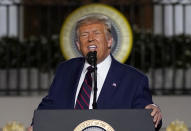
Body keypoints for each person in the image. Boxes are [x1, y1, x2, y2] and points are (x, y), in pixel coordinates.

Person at [28, 14, 162, 131]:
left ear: (109, 41)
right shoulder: (65, 70)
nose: (90, 38)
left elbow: (145, 116)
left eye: (96, 33)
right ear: (78, 45)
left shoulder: (134, 79)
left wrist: (152, 111)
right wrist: (36, 126)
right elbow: (48, 107)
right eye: (84, 35)